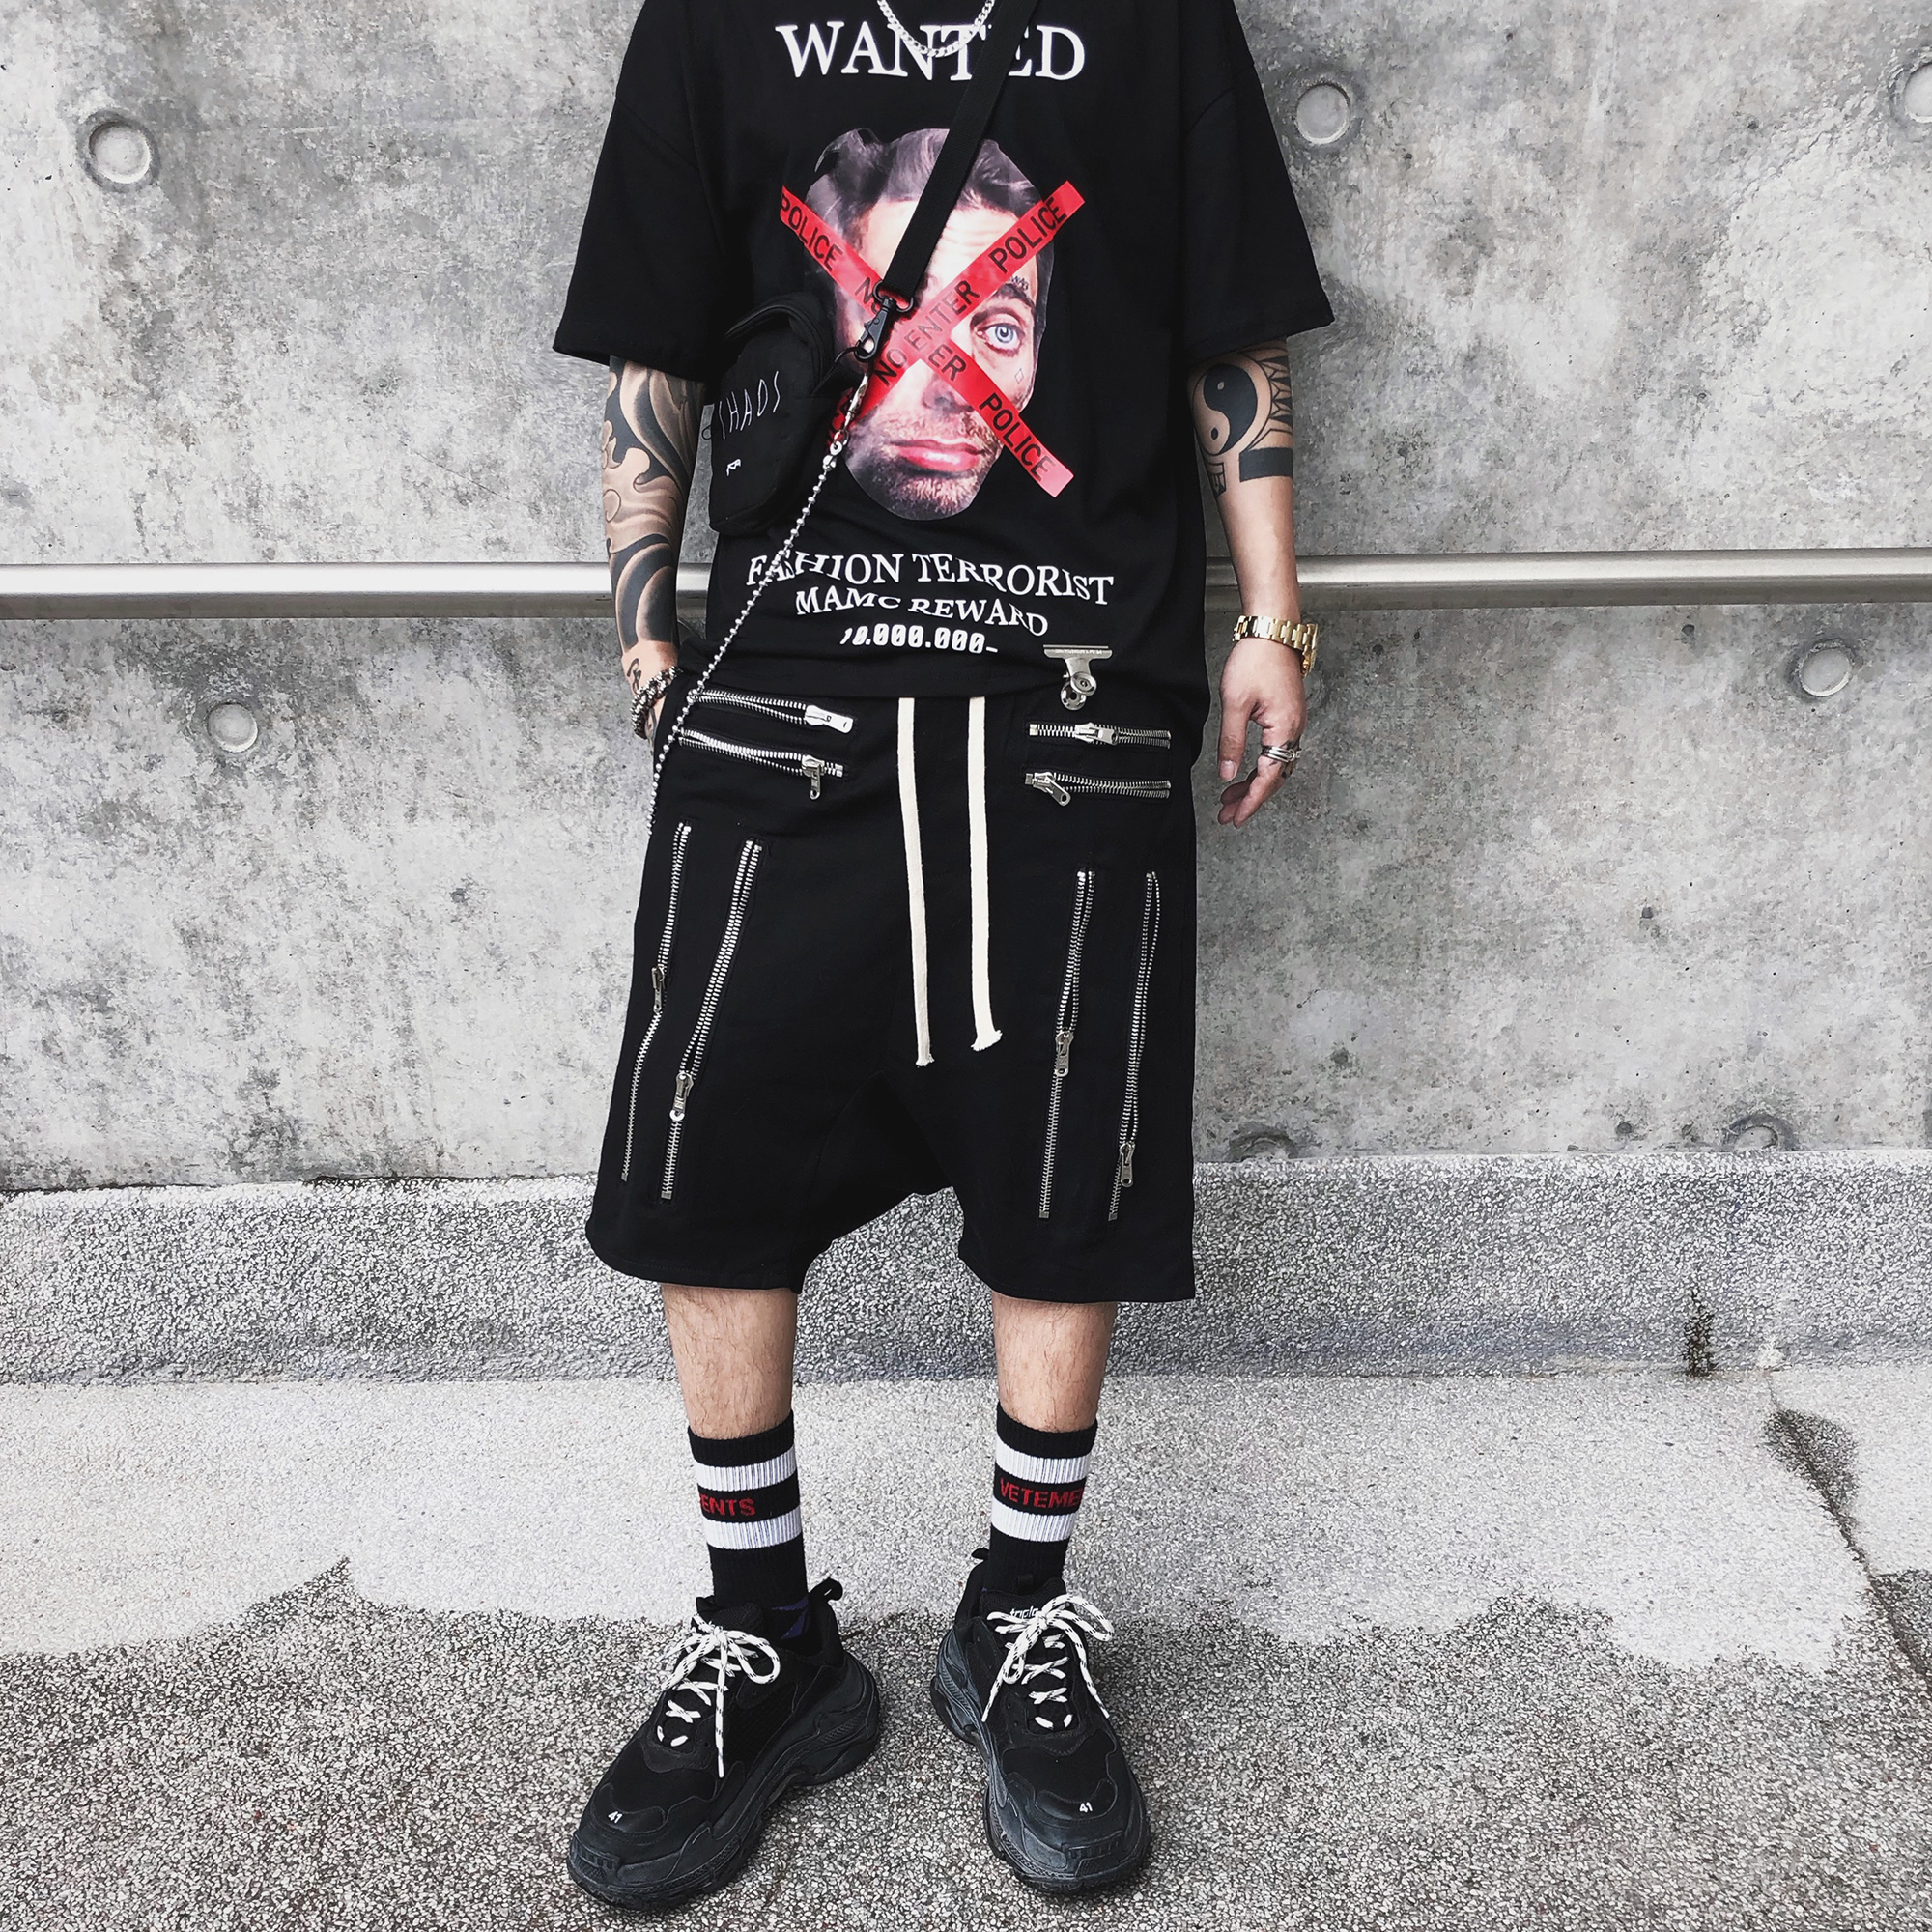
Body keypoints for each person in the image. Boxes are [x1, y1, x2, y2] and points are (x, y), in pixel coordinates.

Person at [553, 0, 1331, 1905]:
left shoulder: (1153, 16)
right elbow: (659, 345)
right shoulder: (711, 18)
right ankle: (765, 1639)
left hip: (1072, 688)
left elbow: (1226, 332)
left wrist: (1273, 619)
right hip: (784, 692)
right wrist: (647, 634)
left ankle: (1016, 1611)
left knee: (1071, 1178)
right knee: (705, 1167)